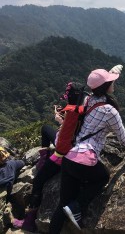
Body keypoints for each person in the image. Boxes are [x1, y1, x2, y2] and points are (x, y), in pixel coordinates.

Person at [49, 67, 125, 233]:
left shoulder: (87, 100)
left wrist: (113, 71)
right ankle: (77, 206)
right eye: (111, 81)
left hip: (69, 157)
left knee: (62, 205)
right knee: (102, 177)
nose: (114, 83)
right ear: (106, 85)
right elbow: (124, 139)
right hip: (83, 159)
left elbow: (99, 81)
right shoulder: (109, 111)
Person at [13, 81, 89, 232]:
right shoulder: (85, 107)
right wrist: (63, 116)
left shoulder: (71, 113)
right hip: (80, 148)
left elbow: (63, 141)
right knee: (46, 129)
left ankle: (29, 222)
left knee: (39, 182)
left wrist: (60, 120)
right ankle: (44, 158)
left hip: (64, 155)